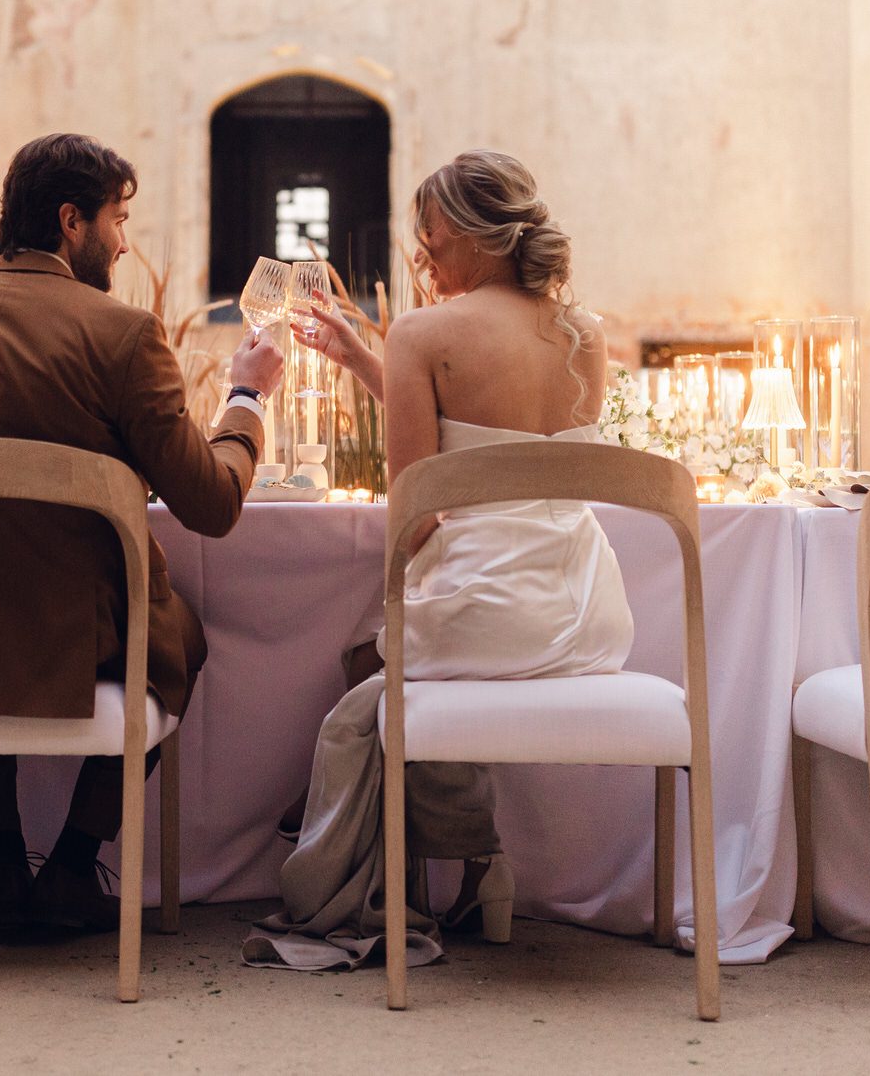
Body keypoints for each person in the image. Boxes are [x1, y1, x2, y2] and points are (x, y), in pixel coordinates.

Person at [0, 132, 284, 934]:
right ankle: (76, 862)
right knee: (181, 631)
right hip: (77, 639)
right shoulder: (121, 334)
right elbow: (211, 506)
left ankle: (3, 864)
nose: (124, 241)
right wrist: (246, 401)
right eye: (118, 219)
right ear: (72, 222)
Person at [243, 149, 635, 972]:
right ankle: (477, 867)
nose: (421, 258)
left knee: (372, 671)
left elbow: (413, 521)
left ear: (460, 231)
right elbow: (492, 440)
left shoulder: (427, 332)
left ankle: (362, 858)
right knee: (395, 670)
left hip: (489, 614)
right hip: (589, 613)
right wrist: (361, 358)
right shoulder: (583, 335)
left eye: (427, 238)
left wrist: (418, 558)